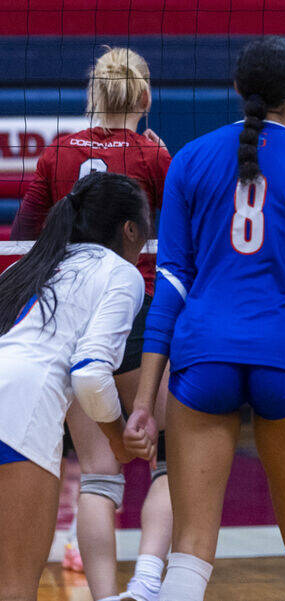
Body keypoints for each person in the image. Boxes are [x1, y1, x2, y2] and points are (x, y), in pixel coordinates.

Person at [123, 36, 285, 601]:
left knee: (190, 550)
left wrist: (144, 405)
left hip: (203, 356)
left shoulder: (192, 160)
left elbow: (170, 288)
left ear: (236, 90)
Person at [10, 46, 172, 601]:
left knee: (100, 473)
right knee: (167, 461)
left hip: (71, 318)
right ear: (145, 97)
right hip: (138, 311)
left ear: (93, 94)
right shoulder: (152, 156)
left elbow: (23, 241)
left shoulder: (57, 151)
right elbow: (182, 243)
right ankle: (147, 585)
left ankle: (106, 595)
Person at [0, 172, 149, 601]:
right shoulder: (121, 274)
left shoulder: (27, 265)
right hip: (20, 415)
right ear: (130, 230)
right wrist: (118, 437)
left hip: (16, 403)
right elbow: (89, 373)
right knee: (15, 587)